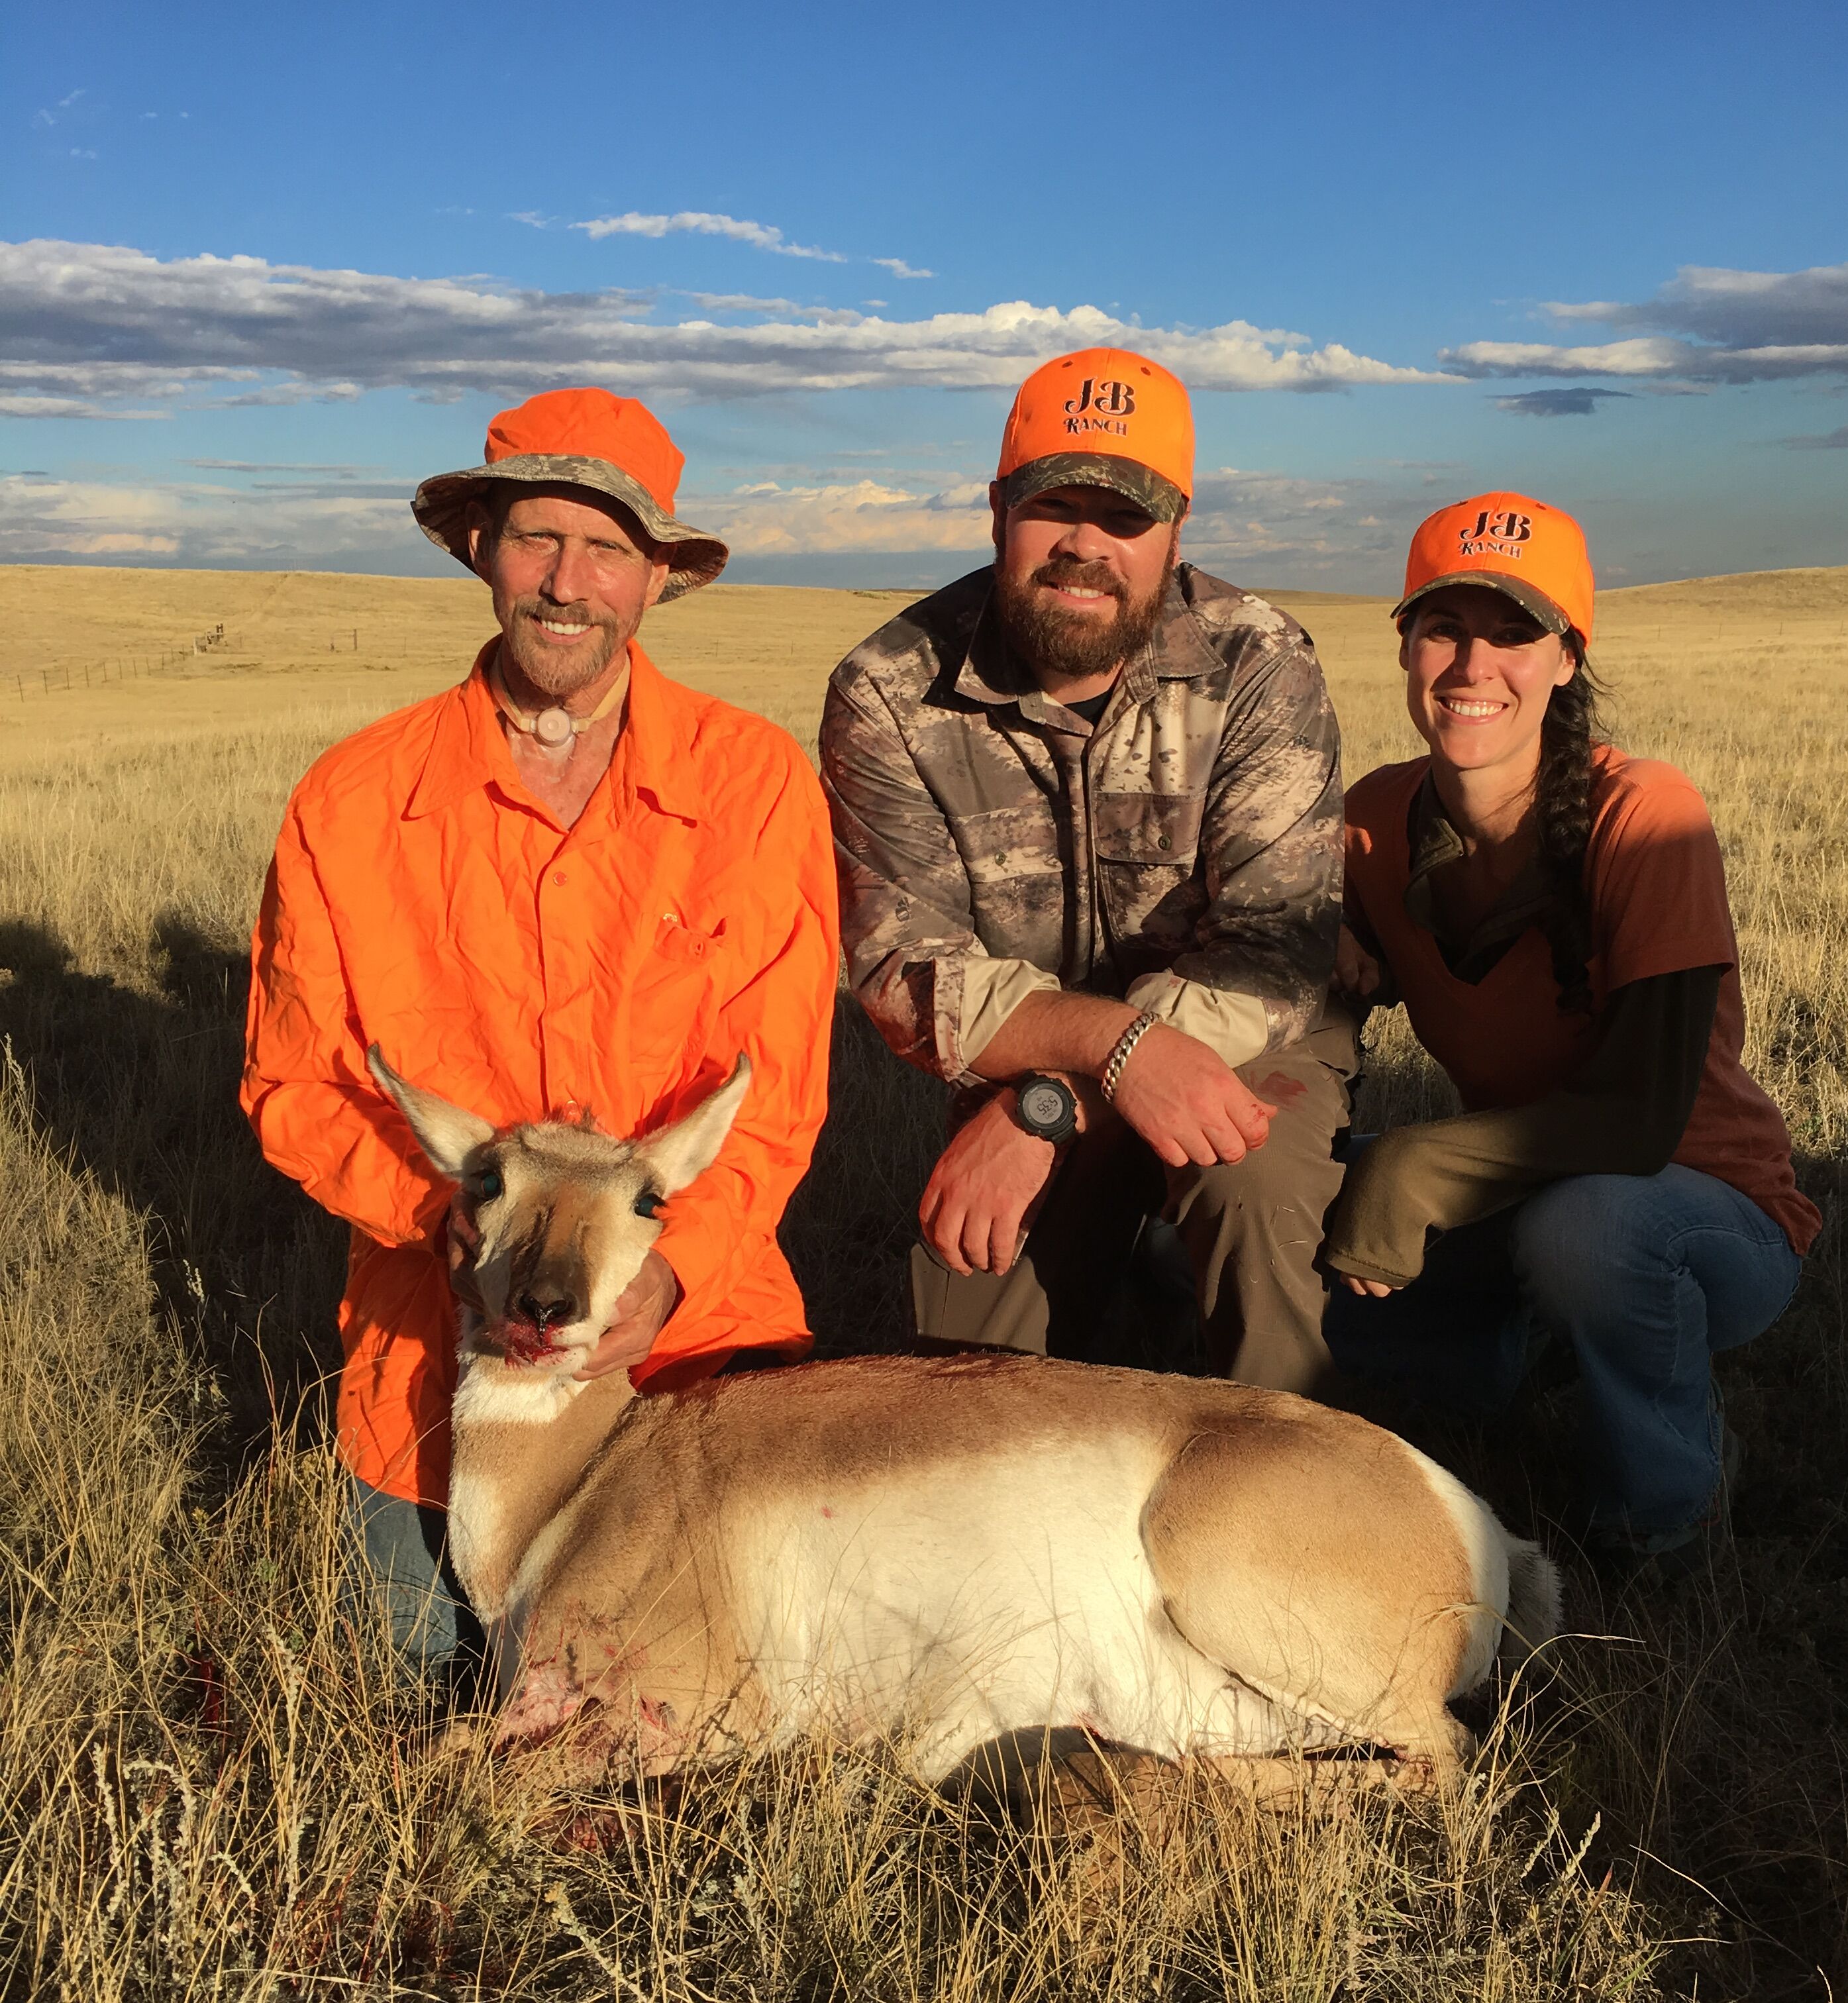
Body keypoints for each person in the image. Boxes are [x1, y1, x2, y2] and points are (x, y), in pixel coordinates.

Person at [242, 387, 839, 1681]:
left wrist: (674, 1277)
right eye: (537, 540)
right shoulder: (351, 806)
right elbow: (290, 1084)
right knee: (414, 1682)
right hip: (431, 1381)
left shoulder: (754, 788)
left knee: (727, 1715)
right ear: (481, 550)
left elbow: (776, 1094)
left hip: (692, 1352)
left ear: (658, 578)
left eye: (609, 547)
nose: (568, 584)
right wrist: (431, 1210)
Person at [819, 346, 1357, 1387]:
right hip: (1032, 1068)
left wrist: (1066, 1092)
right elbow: (903, 973)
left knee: (1249, 1181)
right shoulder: (889, 689)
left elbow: (1275, 957)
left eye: (1125, 519)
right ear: (995, 510)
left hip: (1241, 1044)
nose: (1084, 547)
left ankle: (1292, 1476)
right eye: (1053, 506)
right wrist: (1107, 1053)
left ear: (1175, 534)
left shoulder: (1259, 660)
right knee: (965, 1334)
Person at [1321, 491, 1819, 1575]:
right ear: (1404, 644)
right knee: (1242, 1223)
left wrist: (1412, 1167)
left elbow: (1643, 1119)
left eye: (1513, 633)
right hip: (1513, 1196)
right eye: (1445, 627)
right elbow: (1302, 998)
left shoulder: (1645, 813)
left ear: (1564, 658)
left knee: (1587, 1232)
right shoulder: (1370, 821)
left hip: (1704, 1212)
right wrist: (1328, 958)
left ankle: (1666, 1517)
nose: (1472, 665)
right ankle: (1501, 1359)